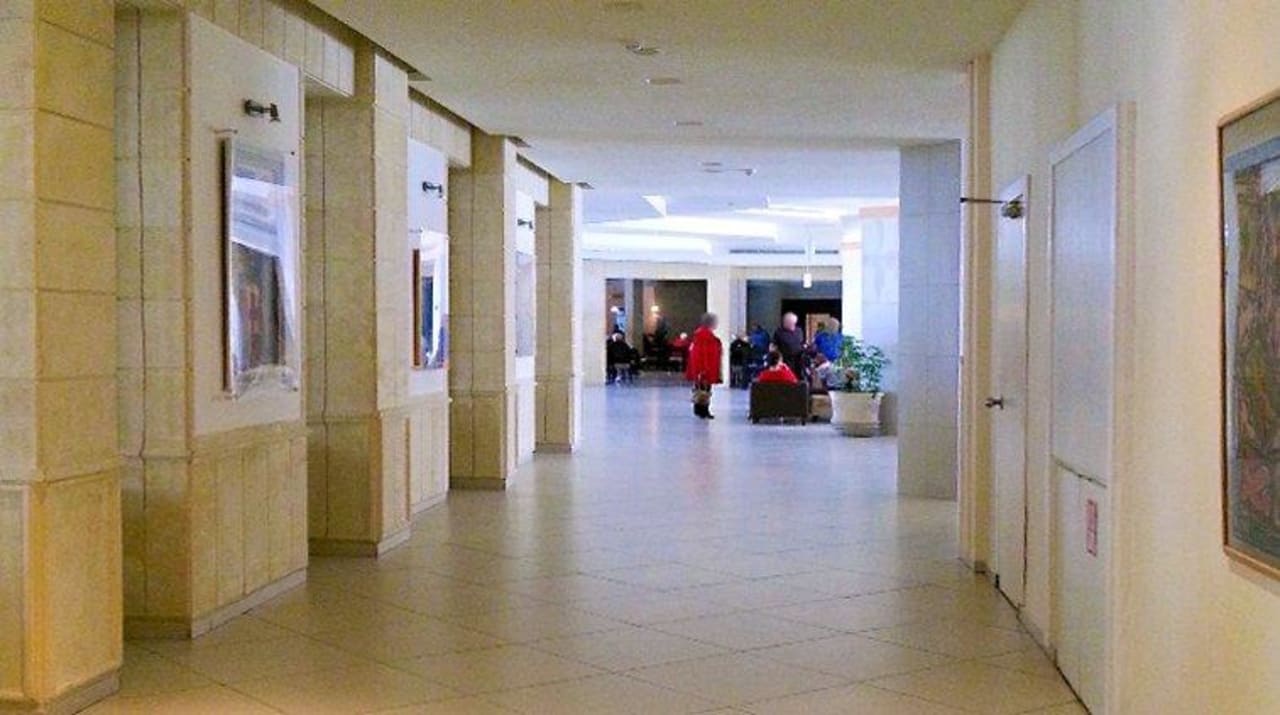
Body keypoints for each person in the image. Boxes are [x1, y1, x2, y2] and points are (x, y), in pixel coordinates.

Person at [685, 313, 723, 419]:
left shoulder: (701, 335)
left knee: (701, 389)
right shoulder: (705, 335)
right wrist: (704, 368)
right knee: (704, 390)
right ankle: (703, 410)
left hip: (703, 367)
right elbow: (704, 353)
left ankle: (700, 410)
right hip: (705, 368)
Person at [772, 312, 806, 378]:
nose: (786, 323)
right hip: (785, 359)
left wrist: (804, 347)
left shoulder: (799, 331)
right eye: (785, 321)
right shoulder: (779, 332)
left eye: (790, 322)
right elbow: (774, 345)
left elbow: (802, 342)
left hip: (798, 360)